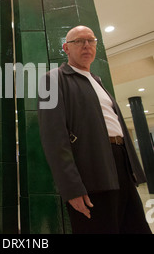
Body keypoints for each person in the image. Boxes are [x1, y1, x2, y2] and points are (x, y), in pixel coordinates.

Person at [38, 25, 152, 234]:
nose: (86, 45)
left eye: (91, 40)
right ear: (66, 48)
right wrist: (71, 188)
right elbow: (53, 137)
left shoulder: (98, 81)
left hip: (121, 167)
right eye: (79, 41)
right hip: (91, 172)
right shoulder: (51, 79)